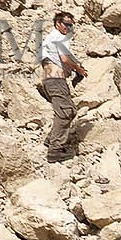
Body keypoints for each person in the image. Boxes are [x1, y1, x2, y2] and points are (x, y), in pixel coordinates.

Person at [38, 10, 87, 162]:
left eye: (71, 26)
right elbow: (64, 59)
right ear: (58, 24)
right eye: (66, 25)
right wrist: (78, 69)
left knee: (67, 110)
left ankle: (52, 139)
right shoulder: (59, 37)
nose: (69, 28)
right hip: (56, 80)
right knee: (66, 112)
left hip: (49, 80)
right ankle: (55, 151)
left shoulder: (49, 38)